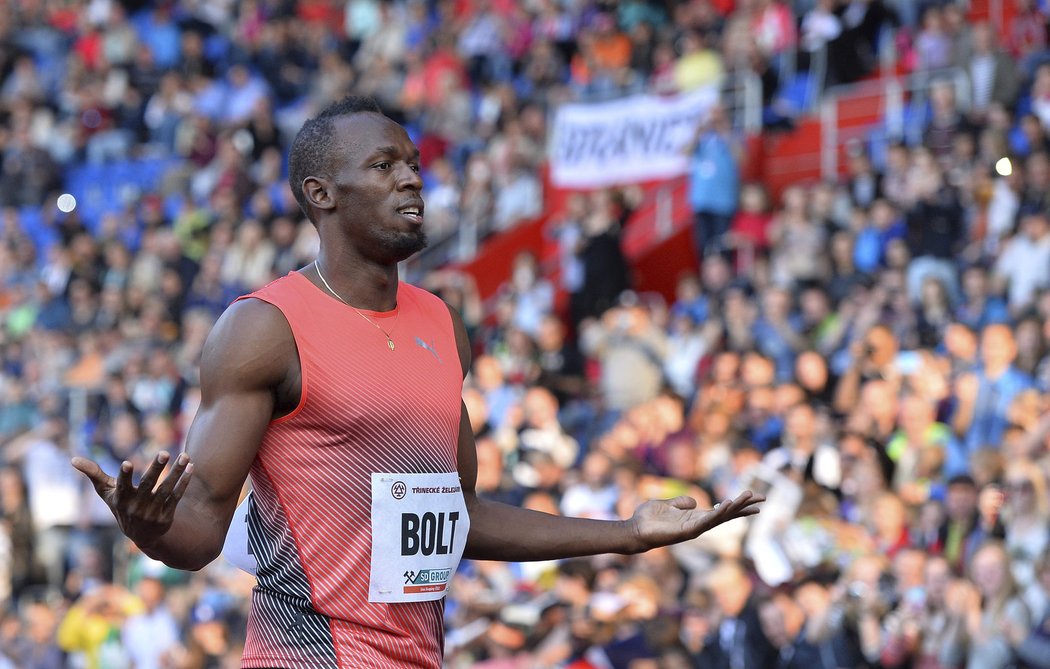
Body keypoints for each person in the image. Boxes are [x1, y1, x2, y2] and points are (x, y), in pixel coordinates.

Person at [71, 96, 764, 669]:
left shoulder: (441, 321)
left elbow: (461, 514)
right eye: (383, 165)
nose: (412, 179)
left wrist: (630, 531)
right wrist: (149, 530)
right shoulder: (265, 328)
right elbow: (198, 527)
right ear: (322, 194)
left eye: (412, 164)